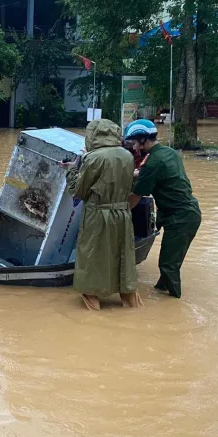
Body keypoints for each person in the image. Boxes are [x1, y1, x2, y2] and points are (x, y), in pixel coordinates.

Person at [62, 119, 143, 311]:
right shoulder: (127, 156)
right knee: (122, 256)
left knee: (92, 258)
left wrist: (72, 169)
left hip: (97, 215)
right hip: (122, 214)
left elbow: (78, 191)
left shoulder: (93, 158)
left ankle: (94, 311)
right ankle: (132, 305)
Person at [126, 119, 201, 298]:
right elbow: (145, 173)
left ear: (144, 140)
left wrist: (115, 213)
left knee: (168, 265)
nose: (134, 148)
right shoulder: (169, 152)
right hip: (185, 212)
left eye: (135, 143)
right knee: (170, 261)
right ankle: (161, 292)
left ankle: (175, 306)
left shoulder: (153, 163)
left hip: (180, 217)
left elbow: (134, 199)